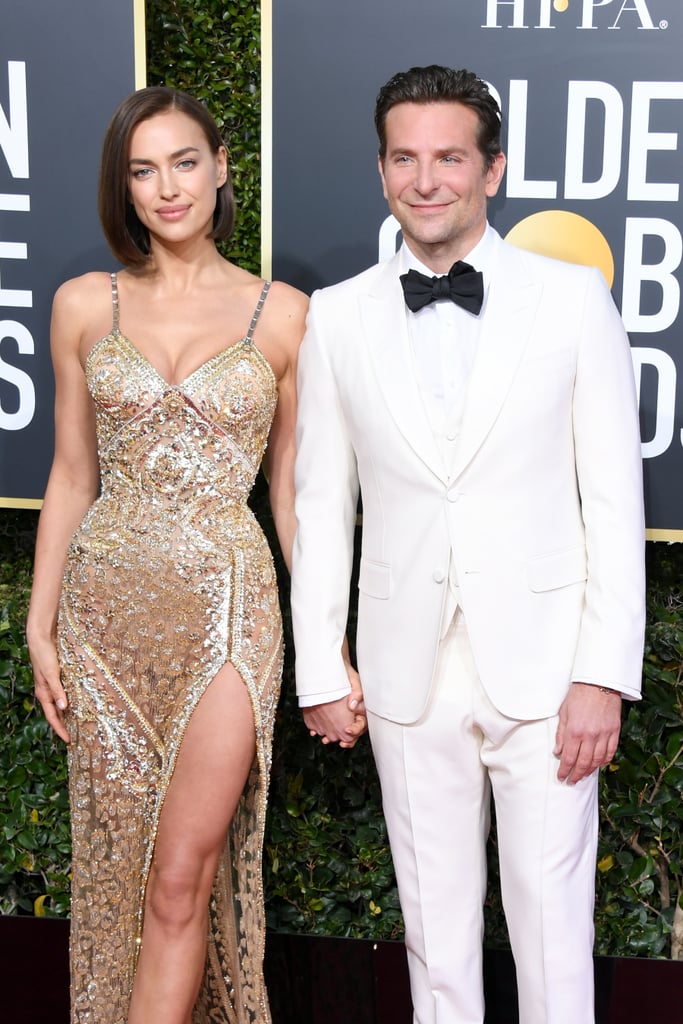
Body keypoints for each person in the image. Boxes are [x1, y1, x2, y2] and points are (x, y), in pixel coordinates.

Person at [290, 65, 645, 1024]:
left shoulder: (572, 302)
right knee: (433, 940)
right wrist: (320, 664)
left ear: (492, 169)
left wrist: (601, 674)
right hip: (406, 670)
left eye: (449, 156)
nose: (426, 179)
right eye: (404, 158)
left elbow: (613, 499)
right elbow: (321, 503)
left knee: (553, 938)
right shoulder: (336, 316)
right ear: (380, 171)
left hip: (546, 670)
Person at [26, 86, 310, 1024]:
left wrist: (327, 646)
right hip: (103, 616)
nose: (165, 188)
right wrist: (40, 627)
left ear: (222, 165)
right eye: (142, 171)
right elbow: (71, 475)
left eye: (183, 162)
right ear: (125, 187)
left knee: (180, 878)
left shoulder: (285, 316)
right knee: (117, 875)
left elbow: (291, 500)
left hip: (229, 610)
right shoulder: (81, 304)